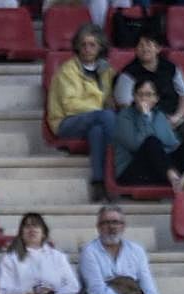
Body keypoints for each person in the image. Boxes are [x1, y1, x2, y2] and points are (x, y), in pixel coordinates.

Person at [78, 204, 181, 294]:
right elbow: (97, 290)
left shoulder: (136, 250)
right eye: (106, 222)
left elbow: (148, 286)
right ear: (98, 227)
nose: (112, 227)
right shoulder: (89, 252)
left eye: (116, 222)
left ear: (123, 226)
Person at [47, 23, 117, 203]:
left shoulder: (106, 70)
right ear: (77, 46)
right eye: (83, 44)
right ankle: (116, 171)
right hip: (65, 122)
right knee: (107, 117)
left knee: (98, 130)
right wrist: (102, 107)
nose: (87, 49)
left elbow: (112, 98)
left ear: (100, 47)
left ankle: (99, 182)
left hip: (93, 121)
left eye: (92, 44)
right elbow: (70, 105)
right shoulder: (68, 70)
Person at [113, 34, 184, 146]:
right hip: (144, 121)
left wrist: (177, 117)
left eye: (149, 45)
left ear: (158, 48)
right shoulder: (128, 74)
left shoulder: (171, 68)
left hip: (173, 118)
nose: (145, 49)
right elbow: (124, 106)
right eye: (140, 45)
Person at [113, 80, 184, 191]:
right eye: (140, 94)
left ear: (156, 98)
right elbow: (135, 145)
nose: (144, 98)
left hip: (158, 168)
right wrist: (145, 117)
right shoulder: (125, 116)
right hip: (133, 170)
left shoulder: (159, 115)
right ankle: (176, 182)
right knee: (152, 142)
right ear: (134, 97)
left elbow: (172, 143)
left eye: (149, 95)